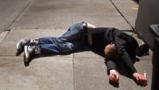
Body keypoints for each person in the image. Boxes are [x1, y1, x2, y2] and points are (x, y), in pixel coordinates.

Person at [16, 22, 149, 86]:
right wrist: (133, 72)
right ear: (113, 44)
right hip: (82, 29)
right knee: (60, 40)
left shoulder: (117, 51)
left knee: (66, 48)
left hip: (85, 42)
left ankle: (33, 50)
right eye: (109, 44)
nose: (107, 44)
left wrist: (112, 70)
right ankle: (29, 41)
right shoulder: (120, 37)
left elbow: (110, 57)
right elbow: (120, 51)